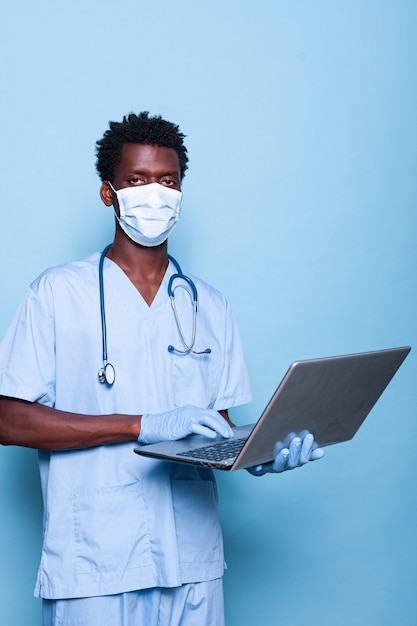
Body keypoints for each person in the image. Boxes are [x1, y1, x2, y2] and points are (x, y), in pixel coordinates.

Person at [0, 111, 324, 626]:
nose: (155, 193)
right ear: (109, 193)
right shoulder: (57, 294)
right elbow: (9, 420)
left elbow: (214, 429)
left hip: (192, 562)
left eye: (167, 181)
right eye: (137, 180)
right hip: (94, 563)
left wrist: (259, 454)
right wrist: (140, 425)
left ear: (181, 193)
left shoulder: (209, 305)